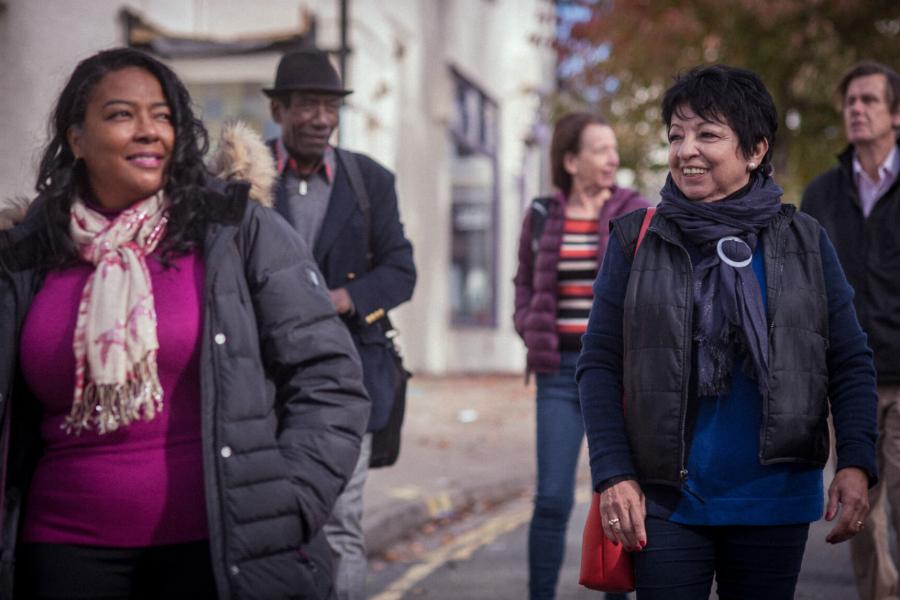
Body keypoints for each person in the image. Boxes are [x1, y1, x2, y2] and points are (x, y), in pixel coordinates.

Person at [0, 47, 370, 599]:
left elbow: (329, 378)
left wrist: (288, 503)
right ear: (76, 139)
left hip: (215, 555)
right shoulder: (25, 255)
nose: (149, 131)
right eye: (122, 114)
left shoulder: (235, 230)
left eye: (164, 115)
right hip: (60, 552)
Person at [576, 64, 879, 599]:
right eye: (676, 135)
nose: (686, 149)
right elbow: (599, 363)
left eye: (708, 134)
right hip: (666, 501)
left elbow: (849, 360)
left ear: (755, 150)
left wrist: (856, 461)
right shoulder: (635, 241)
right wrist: (612, 473)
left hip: (774, 499)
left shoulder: (804, 242)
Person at [263, 48, 416, 600]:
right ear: (279, 110)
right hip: (262, 382)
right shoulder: (243, 177)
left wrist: (343, 299)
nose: (321, 118)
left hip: (350, 381)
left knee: (340, 523)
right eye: (307, 105)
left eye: (329, 106)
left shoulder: (371, 181)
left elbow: (401, 271)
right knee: (268, 527)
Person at [513, 112, 648, 600]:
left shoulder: (636, 212)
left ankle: (619, 594)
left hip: (618, 377)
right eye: (600, 150)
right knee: (550, 500)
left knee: (616, 492)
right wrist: (528, 327)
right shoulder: (542, 215)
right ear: (571, 160)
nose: (612, 159)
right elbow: (525, 282)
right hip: (558, 375)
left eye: (614, 150)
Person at [801, 61, 900, 600]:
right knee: (860, 508)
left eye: (869, 100)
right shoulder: (822, 194)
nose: (857, 109)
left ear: (897, 113)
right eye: (850, 102)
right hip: (848, 384)